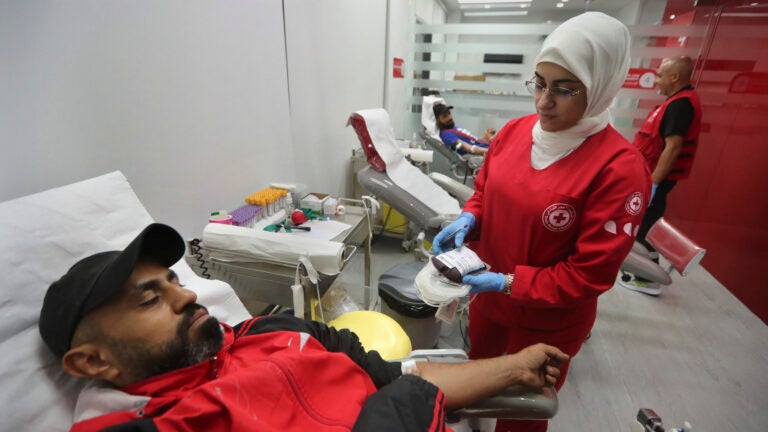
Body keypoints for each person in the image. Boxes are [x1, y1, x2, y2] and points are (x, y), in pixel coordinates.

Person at [39, 222, 568, 432]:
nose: (188, 296)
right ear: (92, 363)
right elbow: (407, 394)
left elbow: (404, 374)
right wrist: (395, 415)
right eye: (150, 299)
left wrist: (513, 368)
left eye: (174, 281)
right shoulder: (157, 425)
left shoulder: (271, 331)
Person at [431, 12, 651, 432]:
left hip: (548, 322)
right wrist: (468, 218)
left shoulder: (619, 169)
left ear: (601, 86)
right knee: (475, 387)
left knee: (521, 415)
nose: (543, 101)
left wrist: (509, 281)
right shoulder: (515, 133)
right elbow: (483, 192)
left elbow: (589, 274)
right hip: (490, 305)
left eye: (565, 89)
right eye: (540, 82)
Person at [618, 55, 703, 296]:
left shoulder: (680, 105)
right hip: (650, 179)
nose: (656, 81)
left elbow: (673, 147)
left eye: (659, 75)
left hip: (655, 181)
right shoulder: (675, 102)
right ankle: (645, 276)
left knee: (646, 230)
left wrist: (653, 185)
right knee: (644, 228)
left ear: (674, 77)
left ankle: (648, 280)